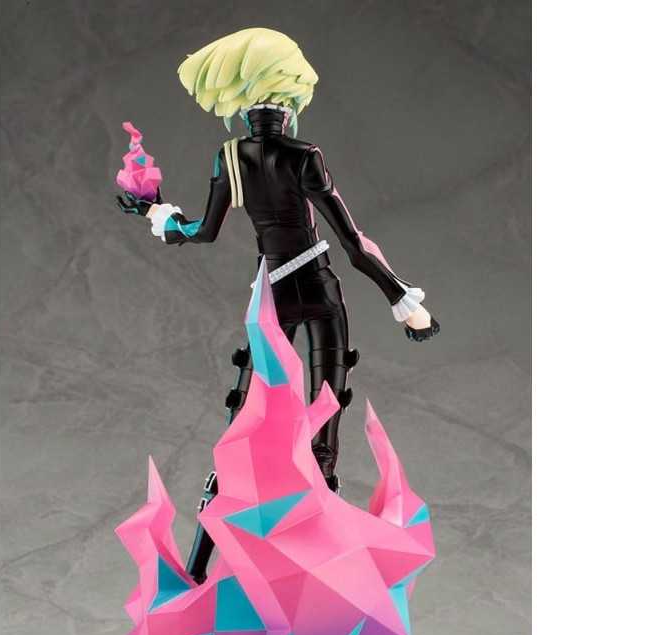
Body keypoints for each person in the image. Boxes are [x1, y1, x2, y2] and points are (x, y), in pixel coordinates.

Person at [117, 28, 439, 582]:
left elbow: (202, 232)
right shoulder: (304, 156)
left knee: (239, 434)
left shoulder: (230, 156)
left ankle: (196, 572)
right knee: (324, 430)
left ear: (242, 106)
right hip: (317, 288)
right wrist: (404, 302)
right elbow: (353, 244)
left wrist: (156, 214)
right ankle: (320, 576)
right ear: (288, 106)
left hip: (270, 298)